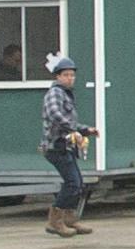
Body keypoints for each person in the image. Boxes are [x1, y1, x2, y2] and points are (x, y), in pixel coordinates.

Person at [36, 55, 94, 238]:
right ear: (58, 77)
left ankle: (70, 219)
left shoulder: (66, 94)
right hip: (55, 146)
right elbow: (55, 114)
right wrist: (72, 129)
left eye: (72, 75)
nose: (70, 78)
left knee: (78, 183)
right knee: (72, 183)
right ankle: (55, 221)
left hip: (66, 145)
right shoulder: (55, 93)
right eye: (66, 75)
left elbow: (70, 122)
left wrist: (85, 130)